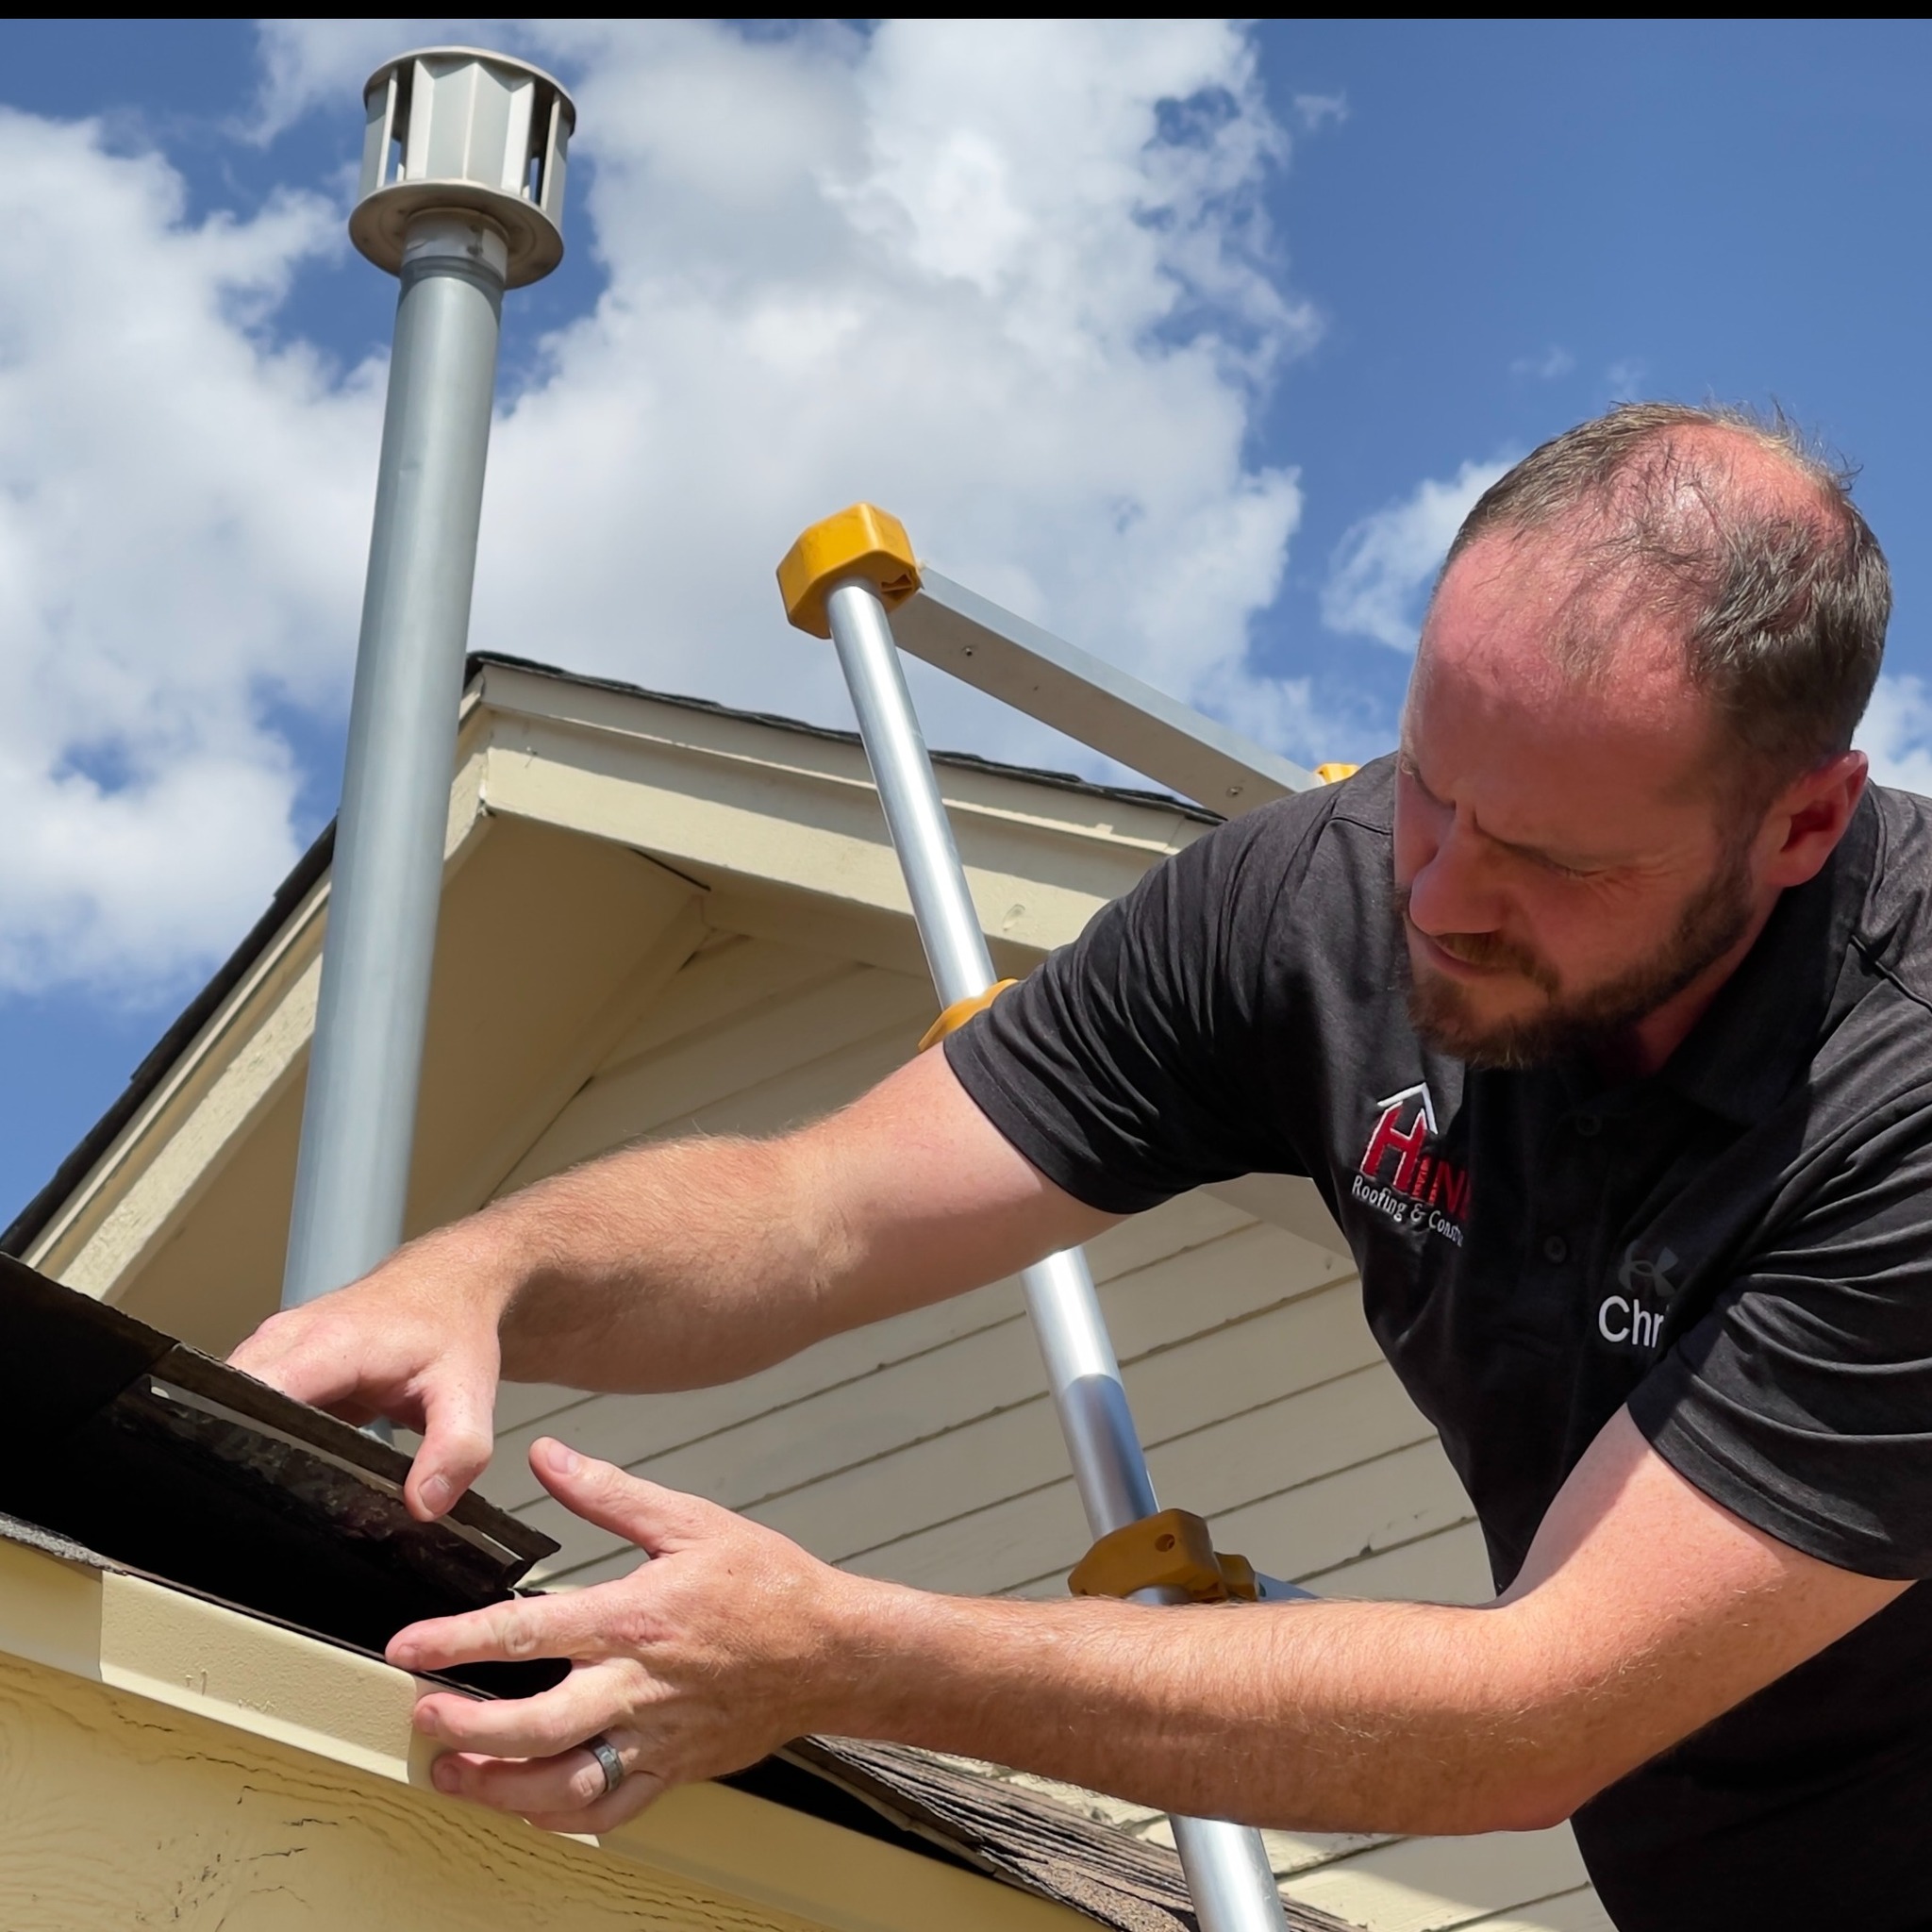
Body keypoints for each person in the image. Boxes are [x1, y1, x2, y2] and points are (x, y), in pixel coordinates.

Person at [232, 403, 1931, 1932]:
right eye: (1430, 784)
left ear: (1800, 823)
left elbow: (1534, 1711)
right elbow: (815, 1214)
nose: (1435, 898)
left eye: (1552, 860)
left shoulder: (1904, 1091)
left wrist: (835, 1656)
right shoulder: (1312, 910)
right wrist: (485, 1274)